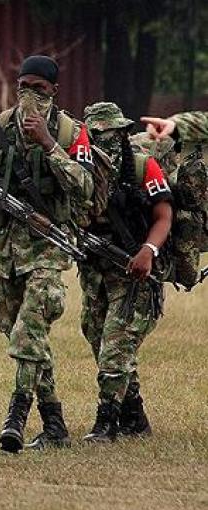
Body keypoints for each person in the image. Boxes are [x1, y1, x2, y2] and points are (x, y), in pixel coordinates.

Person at [0, 55, 93, 453]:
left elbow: (85, 186)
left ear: (54, 92)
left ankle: (16, 416)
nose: (30, 96)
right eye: (24, 87)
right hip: (4, 249)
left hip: (48, 248)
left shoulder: (69, 132)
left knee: (29, 335)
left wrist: (46, 142)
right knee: (21, 335)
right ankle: (56, 424)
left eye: (39, 90)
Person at [77, 102, 172, 442]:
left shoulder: (143, 165)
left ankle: (107, 423)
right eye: (100, 134)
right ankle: (136, 417)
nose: (109, 139)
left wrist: (149, 250)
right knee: (96, 334)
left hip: (136, 273)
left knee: (115, 347)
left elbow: (163, 216)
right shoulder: (78, 168)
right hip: (95, 271)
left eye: (115, 132)